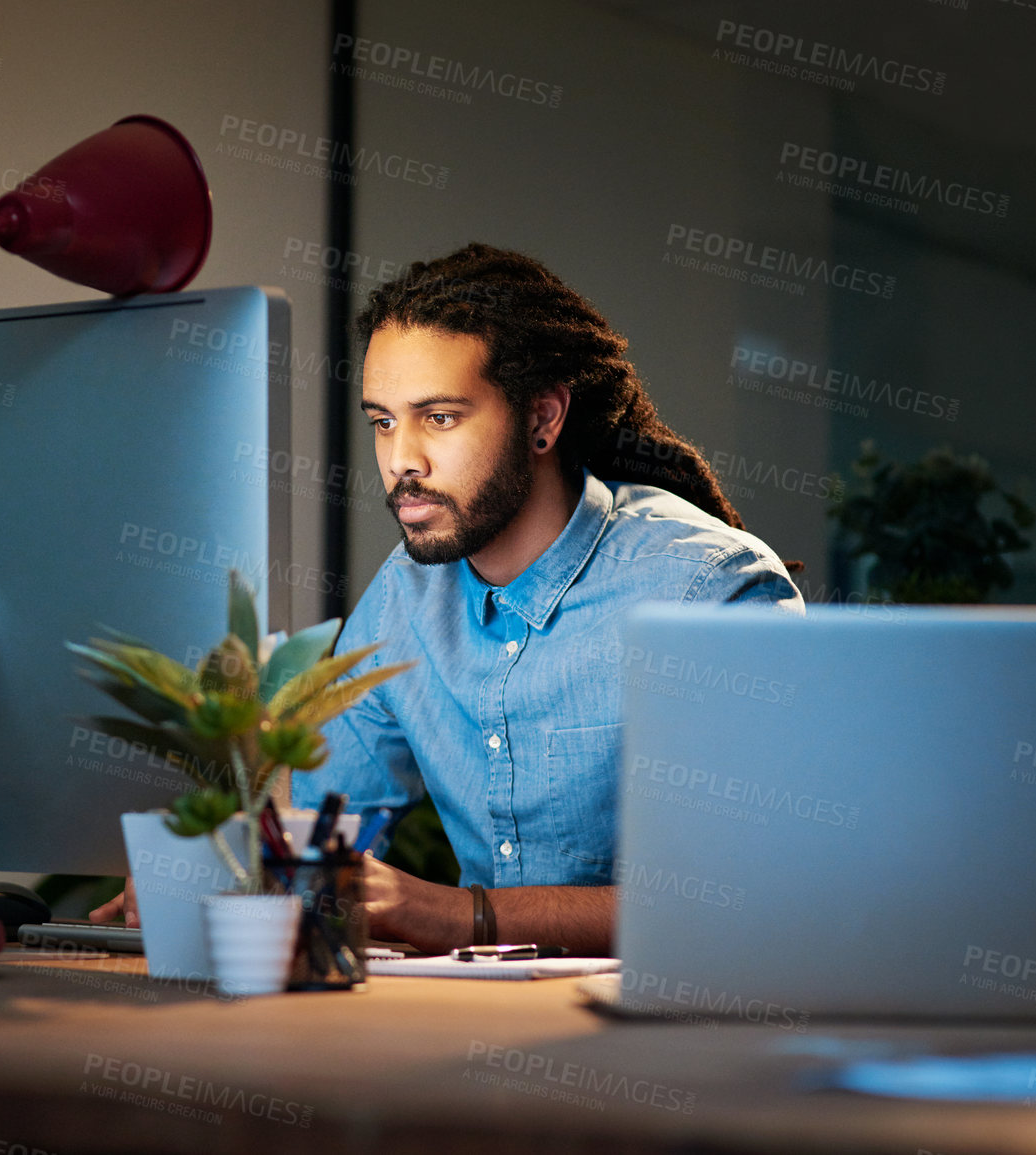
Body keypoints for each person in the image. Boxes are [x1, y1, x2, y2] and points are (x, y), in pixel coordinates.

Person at [93, 243, 802, 952]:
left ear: (542, 418)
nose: (401, 459)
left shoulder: (706, 588)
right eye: (382, 421)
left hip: (679, 1036)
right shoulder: (407, 593)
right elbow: (316, 818)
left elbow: (754, 897)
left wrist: (462, 915)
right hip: (475, 1026)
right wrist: (216, 869)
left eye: (438, 417)